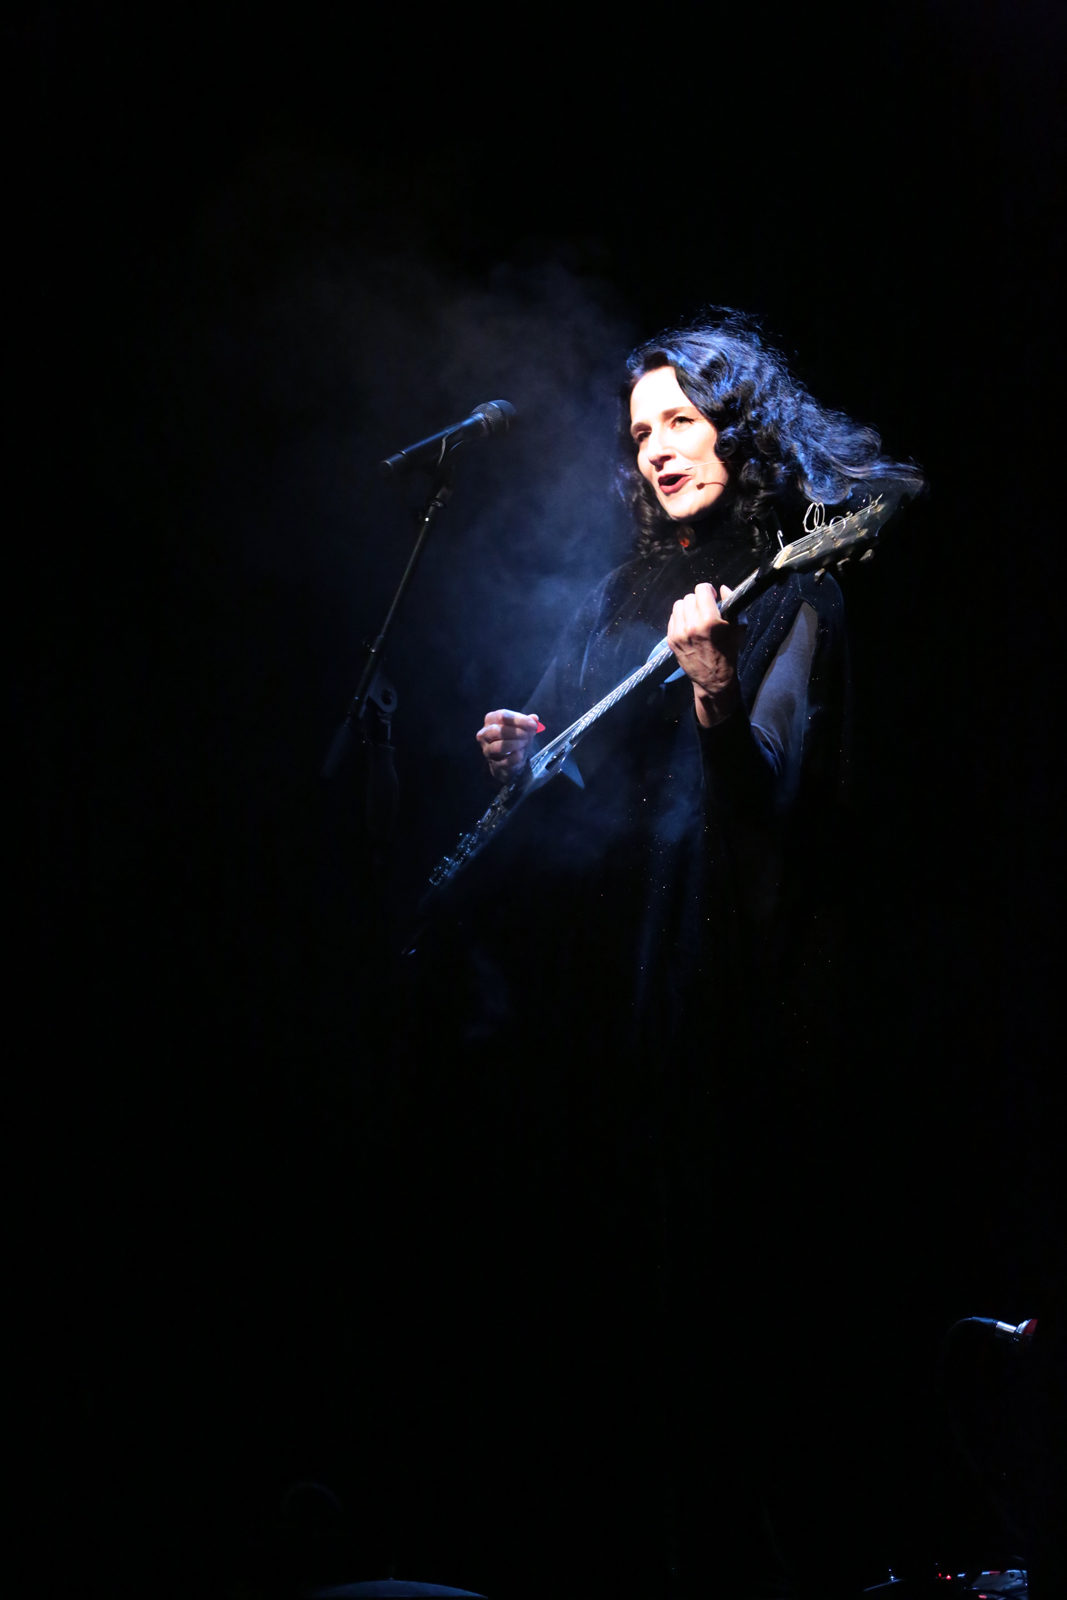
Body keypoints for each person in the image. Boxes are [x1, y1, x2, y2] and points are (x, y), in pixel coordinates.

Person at [408, 311, 925, 1600]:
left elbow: (776, 803)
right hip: (612, 998)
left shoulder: (794, 584)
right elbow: (589, 812)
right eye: (641, 431)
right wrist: (532, 757)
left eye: (683, 420)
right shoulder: (614, 602)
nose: (657, 448)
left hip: (730, 998)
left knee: (727, 1342)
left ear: (737, 430)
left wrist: (711, 693)